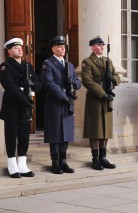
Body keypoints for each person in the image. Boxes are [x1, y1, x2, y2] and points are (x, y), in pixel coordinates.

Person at [0, 38, 41, 178]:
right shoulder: (5, 67)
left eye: (20, 47)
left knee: (24, 137)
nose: (19, 49)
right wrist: (26, 100)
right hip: (12, 107)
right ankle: (12, 166)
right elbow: (10, 87)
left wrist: (33, 87)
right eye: (16, 47)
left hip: (25, 108)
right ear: (9, 51)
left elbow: (37, 82)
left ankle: (22, 165)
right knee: (11, 137)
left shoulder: (27, 66)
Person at [41, 35, 81, 174]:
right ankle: (55, 162)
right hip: (56, 101)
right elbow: (49, 83)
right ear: (53, 49)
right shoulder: (48, 64)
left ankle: (64, 161)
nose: (62, 48)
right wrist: (63, 96)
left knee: (66, 132)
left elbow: (78, 82)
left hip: (68, 101)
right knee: (55, 132)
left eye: (64, 46)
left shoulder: (69, 65)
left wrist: (73, 83)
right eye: (59, 46)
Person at [81, 36, 121, 170]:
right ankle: (95, 158)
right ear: (92, 47)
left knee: (106, 129)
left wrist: (113, 79)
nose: (102, 47)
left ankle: (103, 157)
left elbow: (117, 76)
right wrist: (103, 94)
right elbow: (87, 81)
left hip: (107, 98)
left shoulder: (107, 61)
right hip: (96, 98)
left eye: (103, 45)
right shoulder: (87, 62)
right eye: (98, 45)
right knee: (96, 129)